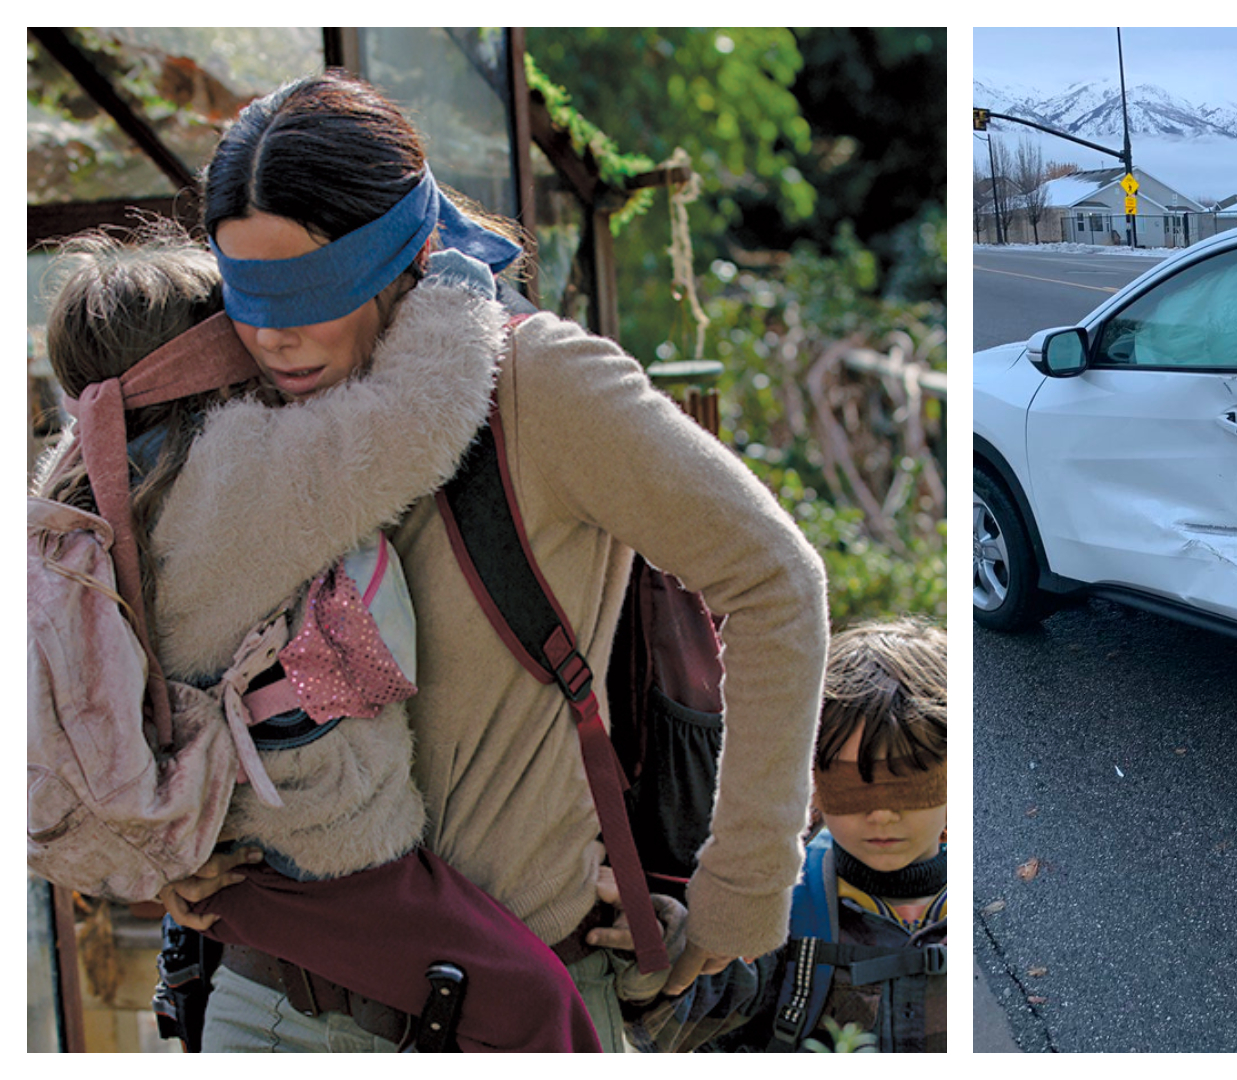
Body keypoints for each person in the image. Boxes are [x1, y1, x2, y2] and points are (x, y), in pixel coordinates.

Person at [156, 70, 829, 1053]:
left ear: (405, 254)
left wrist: (745, 888)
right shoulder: (231, 397)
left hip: (501, 1004)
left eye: (312, 291)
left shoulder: (538, 384)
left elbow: (777, 579)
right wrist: (155, 838)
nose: (273, 333)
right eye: (247, 295)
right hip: (264, 998)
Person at [32, 224, 602, 1052]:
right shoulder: (226, 476)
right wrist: (454, 281)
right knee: (543, 1010)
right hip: (327, 856)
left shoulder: (79, 478)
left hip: (222, 847)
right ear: (206, 353)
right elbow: (416, 419)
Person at [633, 619, 948, 1053]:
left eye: (911, 780)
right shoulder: (777, 908)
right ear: (811, 780)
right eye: (850, 783)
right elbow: (683, 1017)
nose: (881, 812)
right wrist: (666, 941)